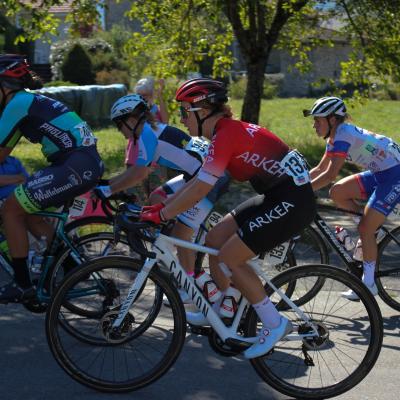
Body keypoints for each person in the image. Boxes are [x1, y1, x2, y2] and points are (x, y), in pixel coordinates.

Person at [140, 78, 316, 359]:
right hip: (278, 196)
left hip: (292, 201)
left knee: (228, 257)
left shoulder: (227, 135)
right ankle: (229, 308)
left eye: (185, 112)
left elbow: (200, 189)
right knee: (214, 239)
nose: (182, 120)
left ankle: (274, 323)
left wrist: (162, 213)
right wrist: (159, 207)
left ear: (203, 110)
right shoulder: (224, 133)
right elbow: (196, 181)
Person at [95, 94, 229, 300]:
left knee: (180, 234)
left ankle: (189, 286)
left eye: (118, 125)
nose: (119, 131)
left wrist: (106, 190)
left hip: (210, 177)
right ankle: (184, 240)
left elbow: (139, 174)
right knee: (157, 197)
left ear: (131, 120)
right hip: (195, 174)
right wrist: (107, 185)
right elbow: (135, 173)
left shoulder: (147, 135)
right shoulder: (150, 131)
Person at [0, 54, 104, 303]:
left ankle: (22, 283)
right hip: (78, 162)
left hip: (74, 164)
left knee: (10, 209)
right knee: (28, 212)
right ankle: (70, 268)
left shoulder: (17, 103)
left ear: (3, 87)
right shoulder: (27, 102)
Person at [304, 96, 400, 299]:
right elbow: (320, 168)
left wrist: (300, 191)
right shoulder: (335, 136)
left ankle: (369, 283)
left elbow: (330, 175)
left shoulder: (343, 135)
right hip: (380, 172)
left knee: (365, 229)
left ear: (332, 120)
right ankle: (372, 231)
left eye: (317, 120)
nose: (314, 125)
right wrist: (294, 184)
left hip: (395, 176)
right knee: (338, 192)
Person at [125, 77, 170, 203]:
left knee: (157, 197)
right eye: (139, 95)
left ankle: (155, 221)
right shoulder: (131, 110)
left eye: (145, 95)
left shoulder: (155, 109)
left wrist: (160, 95)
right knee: (137, 199)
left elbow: (166, 121)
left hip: (155, 161)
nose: (142, 98)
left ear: (151, 95)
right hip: (135, 160)